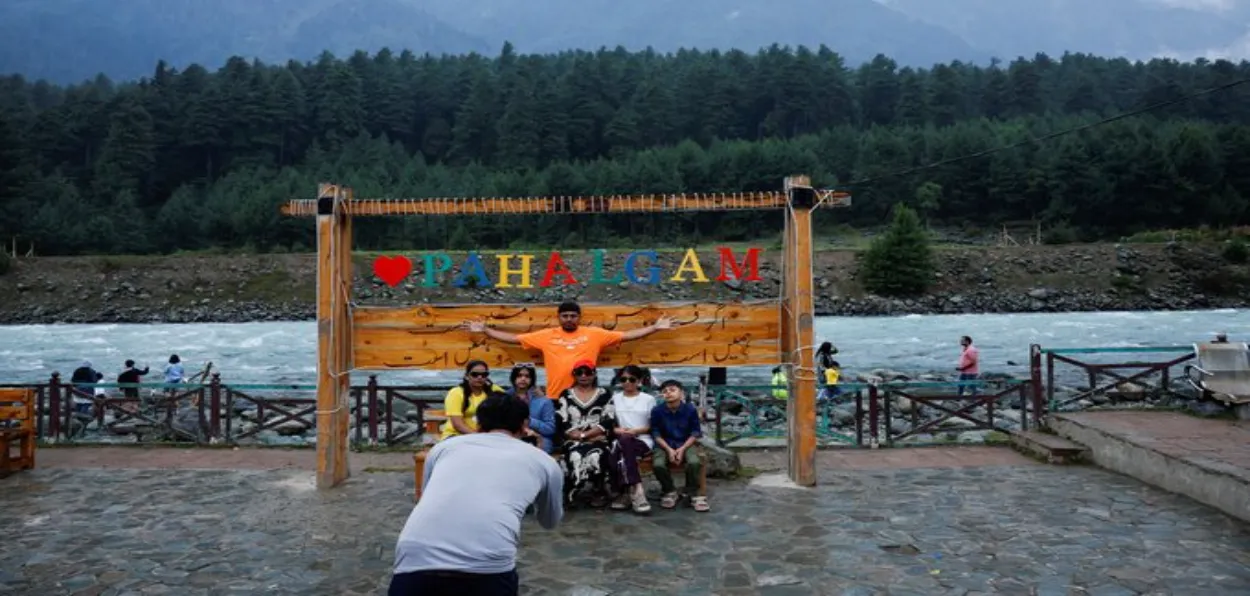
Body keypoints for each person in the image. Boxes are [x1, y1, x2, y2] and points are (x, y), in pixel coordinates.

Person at [389, 393, 564, 596]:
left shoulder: (443, 449)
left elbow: (426, 497)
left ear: (478, 423)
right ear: (525, 424)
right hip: (488, 563)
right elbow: (550, 521)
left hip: (416, 554)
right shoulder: (544, 462)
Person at [462, 300, 676, 400]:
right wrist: (486, 330)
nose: (569, 319)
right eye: (565, 316)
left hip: (586, 393)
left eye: (573, 316)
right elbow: (514, 339)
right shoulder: (546, 335)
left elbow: (627, 335)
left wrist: (655, 327)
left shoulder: (594, 333)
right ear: (559, 317)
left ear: (578, 317)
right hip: (555, 395)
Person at [553, 359, 617, 507]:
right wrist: (577, 436)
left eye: (588, 372)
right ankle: (572, 491)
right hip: (572, 439)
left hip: (598, 439)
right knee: (575, 454)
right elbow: (562, 420)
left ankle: (598, 490)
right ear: (574, 375)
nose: (584, 375)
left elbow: (608, 420)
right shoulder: (566, 394)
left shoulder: (604, 394)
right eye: (579, 372)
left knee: (598, 453)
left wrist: (585, 435)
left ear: (594, 374)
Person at [649, 379, 709, 512]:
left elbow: (695, 432)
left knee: (694, 462)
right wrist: (669, 450)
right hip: (664, 444)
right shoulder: (657, 411)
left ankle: (692, 492)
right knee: (658, 464)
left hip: (686, 443)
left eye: (672, 390)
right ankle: (669, 490)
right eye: (665, 391)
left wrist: (681, 449)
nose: (668, 393)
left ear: (681, 393)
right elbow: (656, 433)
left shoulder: (690, 409)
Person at [608, 364, 655, 513]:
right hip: (622, 439)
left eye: (632, 379)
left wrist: (635, 430)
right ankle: (637, 490)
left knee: (621, 447)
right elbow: (610, 425)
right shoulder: (614, 399)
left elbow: (652, 426)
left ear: (639, 381)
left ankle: (624, 494)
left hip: (642, 439)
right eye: (623, 379)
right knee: (624, 445)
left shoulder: (648, 399)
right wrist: (619, 430)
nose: (627, 382)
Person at [440, 360, 504, 441]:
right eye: (475, 374)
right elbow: (457, 425)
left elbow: (509, 406)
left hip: (486, 436)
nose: (479, 377)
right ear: (466, 376)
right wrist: (478, 437)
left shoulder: (494, 390)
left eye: (484, 375)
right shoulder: (456, 393)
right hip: (456, 435)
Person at [504, 363, 556, 453]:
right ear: (513, 378)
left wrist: (530, 421)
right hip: (510, 438)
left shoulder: (544, 401)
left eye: (527, 376)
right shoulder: (504, 398)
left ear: (532, 379)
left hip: (537, 439)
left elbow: (550, 429)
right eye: (519, 375)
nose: (523, 379)